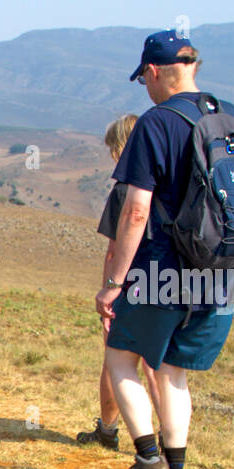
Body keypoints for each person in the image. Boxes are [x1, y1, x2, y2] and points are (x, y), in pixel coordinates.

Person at [94, 30, 234, 469]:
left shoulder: (156, 122)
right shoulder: (232, 116)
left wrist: (112, 285)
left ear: (152, 73)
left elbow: (136, 211)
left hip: (161, 271)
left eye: (143, 79)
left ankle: (149, 465)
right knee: (174, 372)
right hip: (222, 269)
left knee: (122, 357)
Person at [76, 114, 162, 449]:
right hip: (163, 280)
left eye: (114, 146)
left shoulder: (125, 189)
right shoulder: (167, 182)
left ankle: (109, 431)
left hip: (127, 285)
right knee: (158, 366)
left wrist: (107, 294)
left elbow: (113, 252)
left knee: (116, 359)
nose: (113, 155)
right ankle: (169, 440)